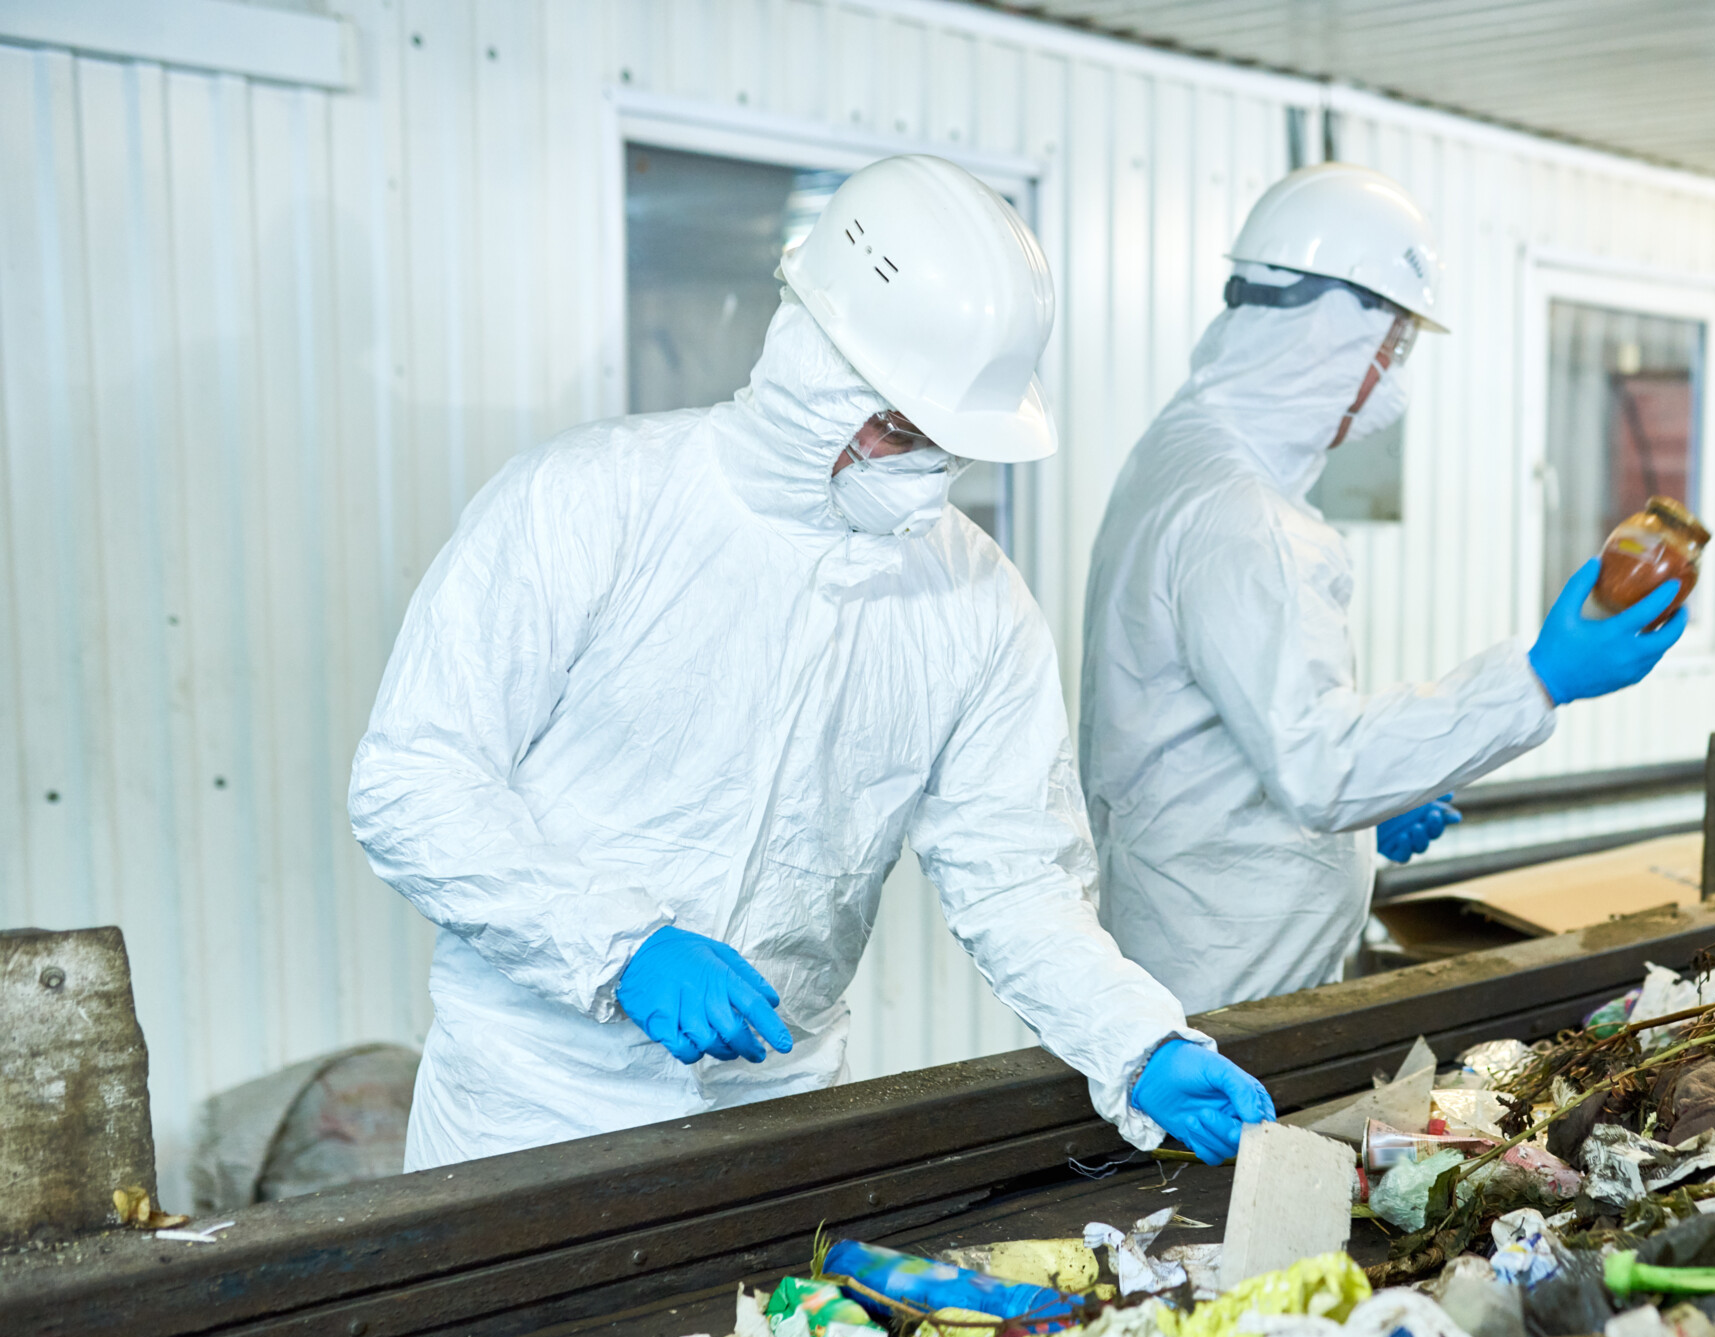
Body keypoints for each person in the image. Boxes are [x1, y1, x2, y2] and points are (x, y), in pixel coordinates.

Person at [350, 155, 1273, 1170]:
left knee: (762, 1335)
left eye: (944, 447)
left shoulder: (973, 600)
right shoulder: (588, 502)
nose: (920, 480)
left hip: (776, 1108)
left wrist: (1134, 1038)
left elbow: (1012, 876)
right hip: (530, 1106)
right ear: (810, 365)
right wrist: (615, 943)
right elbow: (414, 781)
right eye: (892, 430)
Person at [1079, 162, 1691, 1014]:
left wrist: (1374, 819)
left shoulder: (1185, 452)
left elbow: (1238, 727)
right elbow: (1320, 765)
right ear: (1332, 334)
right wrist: (1538, 676)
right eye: (1392, 346)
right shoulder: (1244, 516)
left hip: (1197, 940)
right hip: (1227, 992)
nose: (1389, 378)